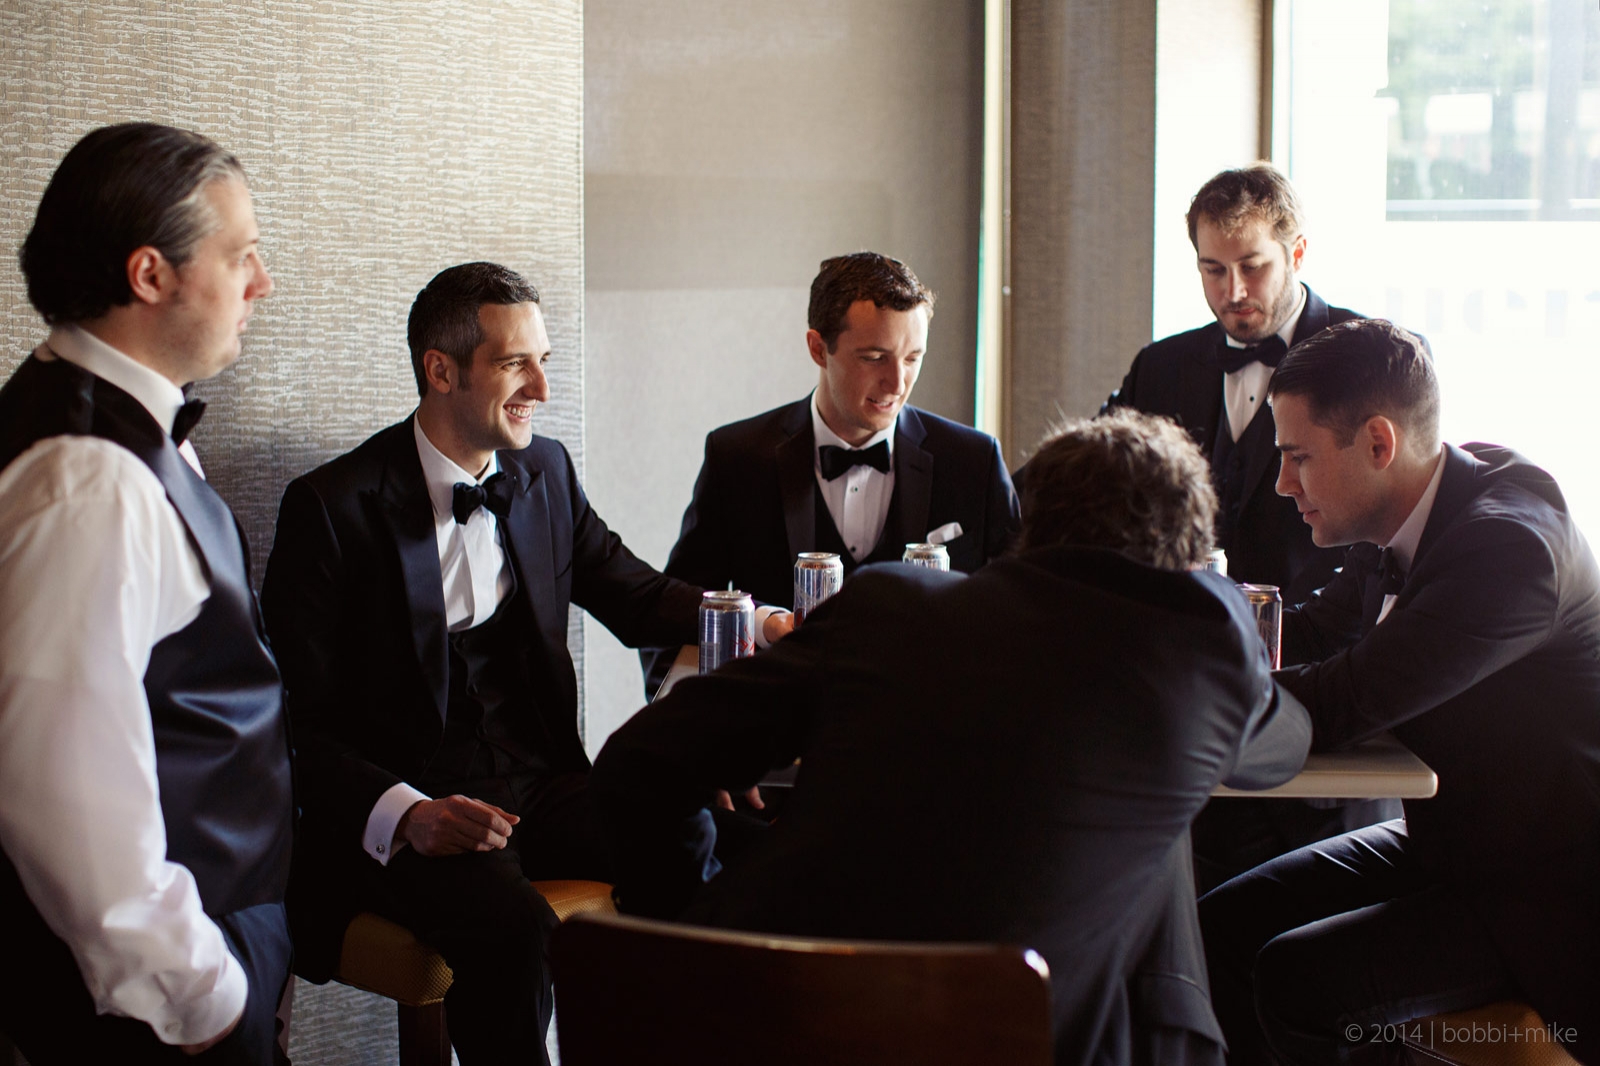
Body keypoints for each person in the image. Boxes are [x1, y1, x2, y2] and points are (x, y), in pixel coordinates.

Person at [591, 409, 1313, 1066]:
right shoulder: (1200, 650)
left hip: (769, 1010)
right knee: (1155, 855)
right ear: (1184, 559)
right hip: (1011, 1033)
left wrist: (691, 928)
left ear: (1031, 525)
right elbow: (1285, 746)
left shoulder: (889, 602)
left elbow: (638, 759)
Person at [261, 262, 765, 1066]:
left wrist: (760, 621)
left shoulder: (545, 472)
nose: (541, 387)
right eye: (514, 364)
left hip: (541, 785)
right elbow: (293, 723)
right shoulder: (331, 508)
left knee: (720, 841)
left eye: (544, 361)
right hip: (409, 807)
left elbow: (634, 594)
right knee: (513, 928)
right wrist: (409, 813)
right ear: (441, 370)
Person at [1199, 319, 1600, 1065]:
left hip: (1550, 892)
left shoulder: (1508, 551)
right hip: (1455, 845)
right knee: (1217, 930)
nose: (1283, 483)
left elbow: (1342, 702)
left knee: (1293, 980)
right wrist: (1175, 641)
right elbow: (1309, 634)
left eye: (1298, 457)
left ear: (1379, 444)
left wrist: (1169, 707)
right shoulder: (1424, 510)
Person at [0, 123, 291, 1064]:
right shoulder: (91, 479)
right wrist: (208, 1000)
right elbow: (64, 799)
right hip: (153, 1009)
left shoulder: (112, 427)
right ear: (151, 275)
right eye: (240, 255)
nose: (261, 283)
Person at [1101, 163, 1393, 891]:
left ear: (1297, 252)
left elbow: (1392, 536)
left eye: (1253, 267)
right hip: (1185, 739)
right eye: (1212, 270)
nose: (1233, 291)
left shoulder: (1374, 358)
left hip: (1320, 743)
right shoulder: (1160, 368)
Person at [657, 251, 1019, 645]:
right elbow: (674, 613)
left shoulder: (974, 460)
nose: (897, 383)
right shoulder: (736, 458)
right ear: (818, 348)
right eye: (874, 358)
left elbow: (1020, 610)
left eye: (913, 358)